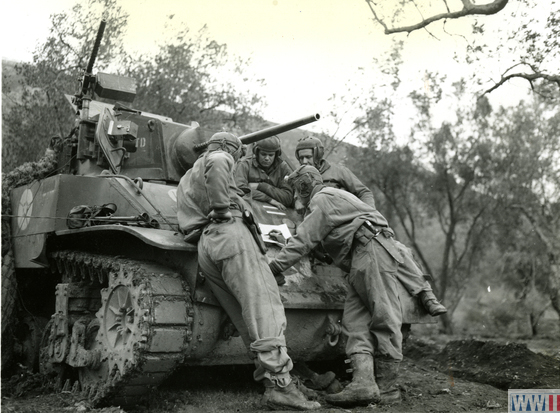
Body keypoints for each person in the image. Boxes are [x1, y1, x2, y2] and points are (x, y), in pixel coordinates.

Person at [176, 132, 320, 411]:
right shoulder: (218, 157)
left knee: (245, 317)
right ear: (230, 149)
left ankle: (274, 380)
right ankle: (280, 384)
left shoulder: (186, 178)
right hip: (231, 237)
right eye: (237, 153)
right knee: (265, 306)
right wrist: (222, 208)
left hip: (207, 243)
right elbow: (219, 161)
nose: (239, 158)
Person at [268, 165, 405, 407]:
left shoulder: (323, 199)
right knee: (354, 320)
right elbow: (325, 241)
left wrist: (274, 268)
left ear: (304, 185)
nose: (296, 196)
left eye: (297, 189)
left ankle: (388, 388)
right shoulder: (332, 198)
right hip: (359, 256)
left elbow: (304, 241)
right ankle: (364, 384)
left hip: (371, 250)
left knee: (383, 315)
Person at [295, 136, 447, 317]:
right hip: (322, 232)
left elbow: (363, 192)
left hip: (350, 226)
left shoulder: (338, 172)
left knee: (397, 251)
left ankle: (426, 295)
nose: (304, 160)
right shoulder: (300, 177)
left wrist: (368, 215)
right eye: (301, 157)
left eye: (308, 156)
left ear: (318, 154)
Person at [235, 135, 294, 210]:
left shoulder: (283, 168)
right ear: (257, 152)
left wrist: (261, 186)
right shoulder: (245, 165)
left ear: (276, 155)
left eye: (271, 155)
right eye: (263, 154)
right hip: (249, 208)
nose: (267, 158)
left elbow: (287, 199)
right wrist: (269, 199)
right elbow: (239, 190)